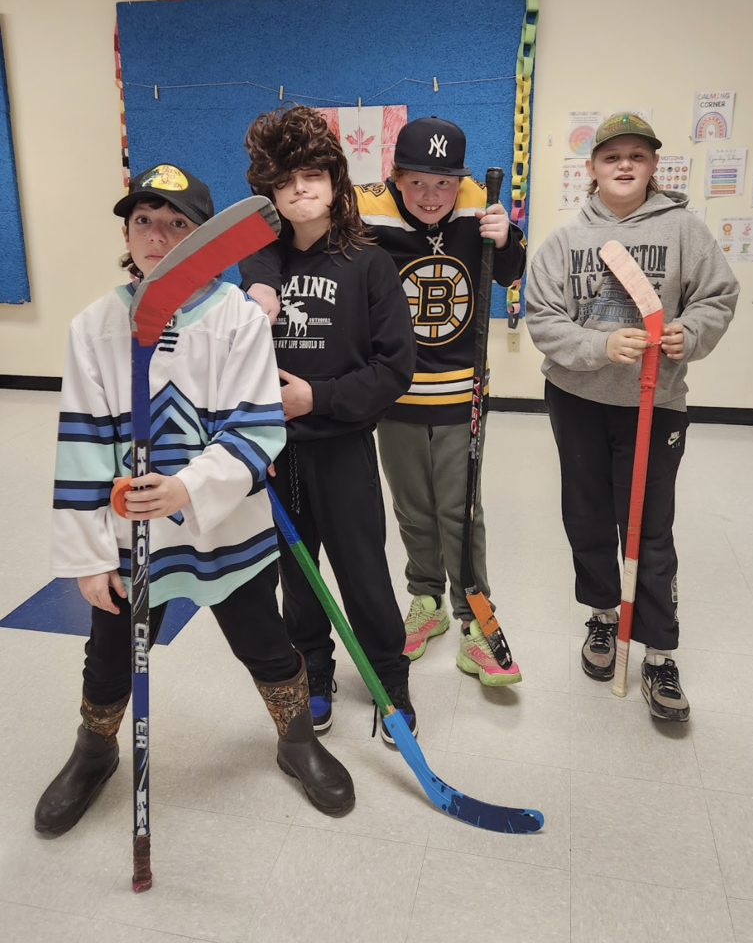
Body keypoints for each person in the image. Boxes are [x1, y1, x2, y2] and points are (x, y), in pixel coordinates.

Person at [34, 163, 355, 837]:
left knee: (265, 642)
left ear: (203, 238)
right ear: (126, 229)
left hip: (225, 529)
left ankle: (296, 739)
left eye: (178, 224)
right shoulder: (94, 327)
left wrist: (186, 487)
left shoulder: (236, 319)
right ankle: (95, 752)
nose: (159, 236)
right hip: (131, 541)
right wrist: (90, 557)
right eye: (145, 220)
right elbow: (84, 446)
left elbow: (259, 428)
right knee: (110, 653)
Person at [241, 116, 526, 686]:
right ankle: (427, 599)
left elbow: (510, 271)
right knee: (412, 507)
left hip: (460, 389)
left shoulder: (478, 203)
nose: (430, 195)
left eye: (444, 183)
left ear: (462, 180)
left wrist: (508, 237)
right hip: (390, 394)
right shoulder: (359, 205)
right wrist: (261, 278)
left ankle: (476, 613)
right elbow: (278, 236)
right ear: (392, 175)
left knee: (461, 508)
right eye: (416, 181)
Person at [526, 112, 739, 721]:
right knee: (587, 513)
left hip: (656, 402)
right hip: (577, 399)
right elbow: (542, 316)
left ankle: (659, 650)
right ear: (591, 170)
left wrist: (689, 332)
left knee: (647, 525)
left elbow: (717, 296)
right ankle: (601, 617)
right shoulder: (565, 240)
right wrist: (597, 347)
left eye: (637, 156)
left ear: (653, 167)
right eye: (611, 156)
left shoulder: (683, 230)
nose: (624, 165)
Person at [240, 106, 418, 744]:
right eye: (284, 181)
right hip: (277, 451)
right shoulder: (260, 264)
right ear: (269, 192)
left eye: (313, 175)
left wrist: (319, 397)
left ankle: (388, 676)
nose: (300, 190)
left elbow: (395, 368)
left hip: (341, 446)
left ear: (337, 181)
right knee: (297, 569)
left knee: (361, 567)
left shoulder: (368, 263)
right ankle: (313, 668)